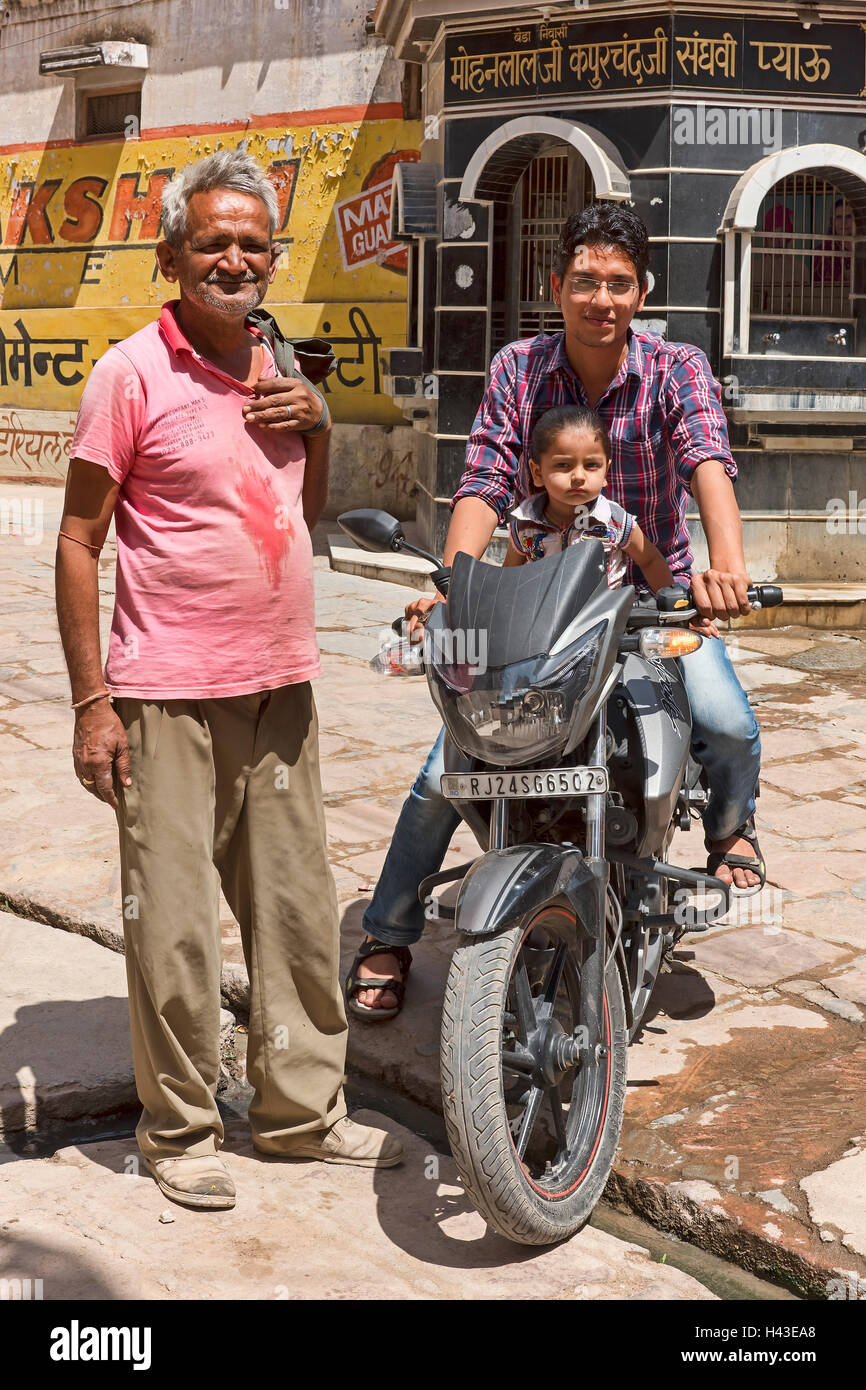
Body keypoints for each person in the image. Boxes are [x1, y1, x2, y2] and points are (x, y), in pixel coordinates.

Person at [55, 149, 401, 1210]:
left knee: (296, 915)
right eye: (213, 241)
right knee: (173, 924)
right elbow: (77, 541)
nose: (235, 258)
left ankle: (299, 1116)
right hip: (164, 690)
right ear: (172, 255)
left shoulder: (282, 362)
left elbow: (300, 514)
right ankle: (183, 1129)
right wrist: (92, 702)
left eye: (253, 242)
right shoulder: (128, 373)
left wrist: (322, 426)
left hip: (280, 686)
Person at [346, 202, 766, 1020]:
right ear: (556, 286)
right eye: (584, 282)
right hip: (539, 612)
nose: (600, 299)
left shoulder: (678, 367)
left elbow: (709, 460)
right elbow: (483, 482)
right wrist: (451, 585)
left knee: (728, 723)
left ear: (640, 293)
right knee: (446, 771)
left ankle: (731, 830)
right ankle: (388, 929)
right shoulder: (518, 368)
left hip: (648, 609)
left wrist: (728, 570)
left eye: (618, 283)